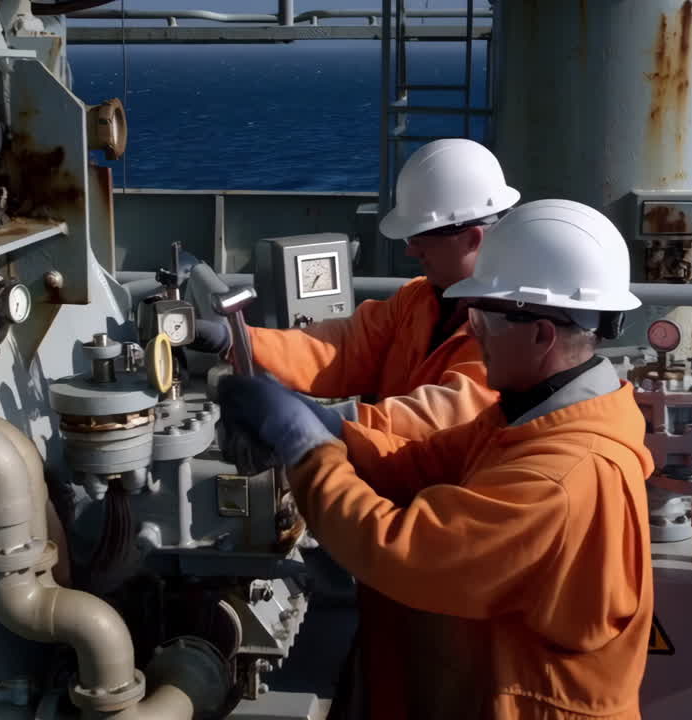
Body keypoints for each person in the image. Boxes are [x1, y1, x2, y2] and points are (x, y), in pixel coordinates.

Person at [218, 199, 655, 720]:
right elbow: (418, 461)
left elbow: (399, 550)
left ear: (542, 334)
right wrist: (333, 429)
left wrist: (307, 448)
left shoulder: (559, 477)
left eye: (485, 316)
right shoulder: (535, 417)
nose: (475, 331)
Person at [190, 137, 520, 441]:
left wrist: (327, 423)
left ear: (471, 238)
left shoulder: (511, 332)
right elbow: (343, 348)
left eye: (421, 237)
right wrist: (241, 340)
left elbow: (438, 418)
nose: (410, 250)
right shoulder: (418, 298)